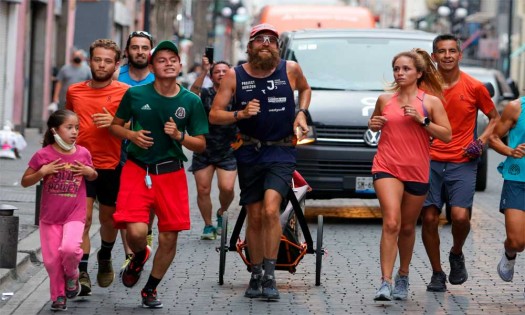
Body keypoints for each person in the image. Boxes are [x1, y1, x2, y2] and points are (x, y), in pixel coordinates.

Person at [209, 23, 311, 300]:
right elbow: (215, 114)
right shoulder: (235, 75)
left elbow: (305, 89)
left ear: (277, 47)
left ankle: (270, 275)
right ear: (250, 46)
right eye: (259, 40)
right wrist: (239, 114)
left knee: (269, 210)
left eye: (271, 40)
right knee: (254, 216)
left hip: (281, 151)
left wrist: (301, 113)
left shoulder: (290, 69)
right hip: (249, 151)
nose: (266, 44)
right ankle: (255, 273)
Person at [109, 40, 208, 308]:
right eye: (161, 60)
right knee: (136, 232)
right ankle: (140, 256)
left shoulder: (191, 101)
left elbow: (201, 143)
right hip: (137, 169)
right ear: (152, 66)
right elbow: (115, 127)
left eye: (172, 59)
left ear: (180, 64)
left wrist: (180, 136)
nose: (168, 63)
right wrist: (131, 135)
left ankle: (150, 289)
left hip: (172, 173)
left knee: (169, 236)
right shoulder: (136, 94)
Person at [369, 49, 451, 301]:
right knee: (391, 222)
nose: (400, 73)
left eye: (406, 69)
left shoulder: (430, 102)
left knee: (406, 227)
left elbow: (447, 135)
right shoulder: (385, 100)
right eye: (397, 69)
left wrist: (422, 121)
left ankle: (403, 275)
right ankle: (385, 281)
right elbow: (374, 124)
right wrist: (373, 125)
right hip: (387, 166)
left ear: (419, 73)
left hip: (416, 169)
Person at [421, 34, 499, 292]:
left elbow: (494, 118)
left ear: (459, 55)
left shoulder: (474, 87)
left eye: (452, 51)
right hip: (429, 160)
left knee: (460, 216)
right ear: (433, 56)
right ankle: (436, 273)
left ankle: (456, 253)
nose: (447, 55)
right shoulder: (424, 87)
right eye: (441, 51)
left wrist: (482, 140)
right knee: (430, 218)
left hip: (462, 161)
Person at [66, 39, 129, 296]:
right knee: (84, 219)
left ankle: (105, 254)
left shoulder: (126, 92)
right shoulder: (74, 91)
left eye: (107, 61)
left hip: (112, 164)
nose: (101, 64)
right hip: (80, 164)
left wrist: (114, 124)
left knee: (108, 218)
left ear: (116, 65)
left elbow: (135, 131)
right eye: (97, 59)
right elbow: (66, 124)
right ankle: (82, 272)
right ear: (90, 60)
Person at [21, 109, 98, 311]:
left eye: (77, 128)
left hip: (74, 213)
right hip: (50, 218)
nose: (74, 132)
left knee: (70, 249)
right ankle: (59, 296)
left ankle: (72, 276)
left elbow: (93, 175)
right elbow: (25, 181)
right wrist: (42, 172)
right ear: (55, 131)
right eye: (69, 127)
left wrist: (87, 171)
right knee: (52, 261)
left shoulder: (83, 153)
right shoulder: (43, 155)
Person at [117, 30, 156, 267]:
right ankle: (130, 256)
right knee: (127, 204)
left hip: (151, 149)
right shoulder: (116, 77)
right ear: (127, 51)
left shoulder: (158, 78)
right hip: (119, 148)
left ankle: (147, 234)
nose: (140, 52)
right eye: (135, 47)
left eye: (144, 48)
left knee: (149, 203)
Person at [189, 57, 237, 240]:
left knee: (227, 188)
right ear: (212, 76)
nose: (221, 74)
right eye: (217, 71)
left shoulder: (236, 94)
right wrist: (203, 70)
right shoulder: (206, 93)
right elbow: (192, 92)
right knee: (203, 189)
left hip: (228, 148)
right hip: (204, 147)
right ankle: (208, 225)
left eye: (225, 71)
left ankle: (222, 212)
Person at [489, 96, 525, 283]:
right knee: (517, 241)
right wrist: (510, 151)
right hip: (517, 178)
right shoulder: (516, 107)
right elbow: (493, 138)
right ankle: (509, 254)